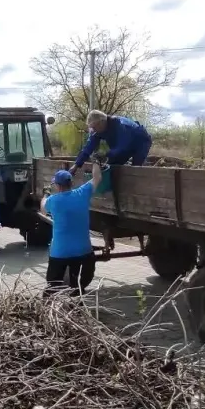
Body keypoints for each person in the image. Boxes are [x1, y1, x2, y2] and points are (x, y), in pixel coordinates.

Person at [44, 162, 102, 294]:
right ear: (71, 183)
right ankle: (77, 294)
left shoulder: (53, 200)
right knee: (77, 285)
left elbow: (43, 208)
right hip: (84, 252)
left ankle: (51, 303)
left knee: (52, 287)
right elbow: (97, 177)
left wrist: (45, 194)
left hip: (60, 253)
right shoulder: (82, 193)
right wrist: (96, 162)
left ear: (58, 186)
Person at [72, 110, 153, 170]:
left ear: (102, 122)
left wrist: (105, 154)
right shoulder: (97, 130)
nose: (94, 130)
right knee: (111, 166)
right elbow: (88, 148)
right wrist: (76, 165)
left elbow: (122, 147)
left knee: (136, 168)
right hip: (122, 146)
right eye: (92, 128)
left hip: (141, 142)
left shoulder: (121, 125)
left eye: (94, 127)